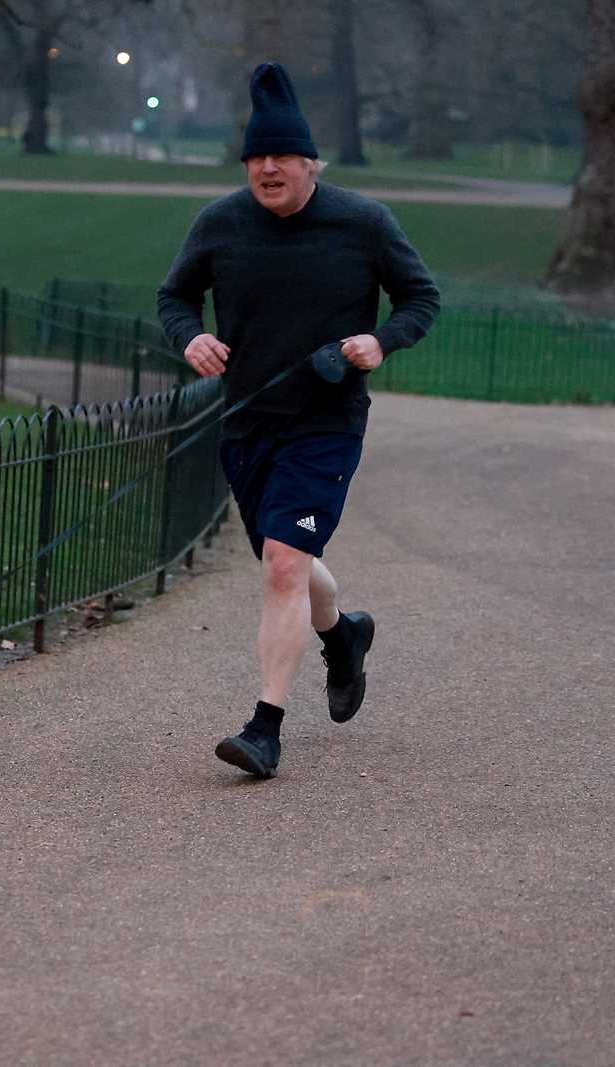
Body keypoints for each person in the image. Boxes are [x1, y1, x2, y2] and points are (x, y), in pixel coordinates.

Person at [156, 61, 440, 779]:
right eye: (256, 156)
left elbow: (420, 299)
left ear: (312, 163)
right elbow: (174, 298)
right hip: (248, 425)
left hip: (326, 422)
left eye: (282, 156)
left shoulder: (364, 223)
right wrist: (190, 335)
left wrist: (381, 340)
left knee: (283, 564)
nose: (268, 167)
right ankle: (343, 636)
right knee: (289, 560)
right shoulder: (220, 223)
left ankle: (264, 728)